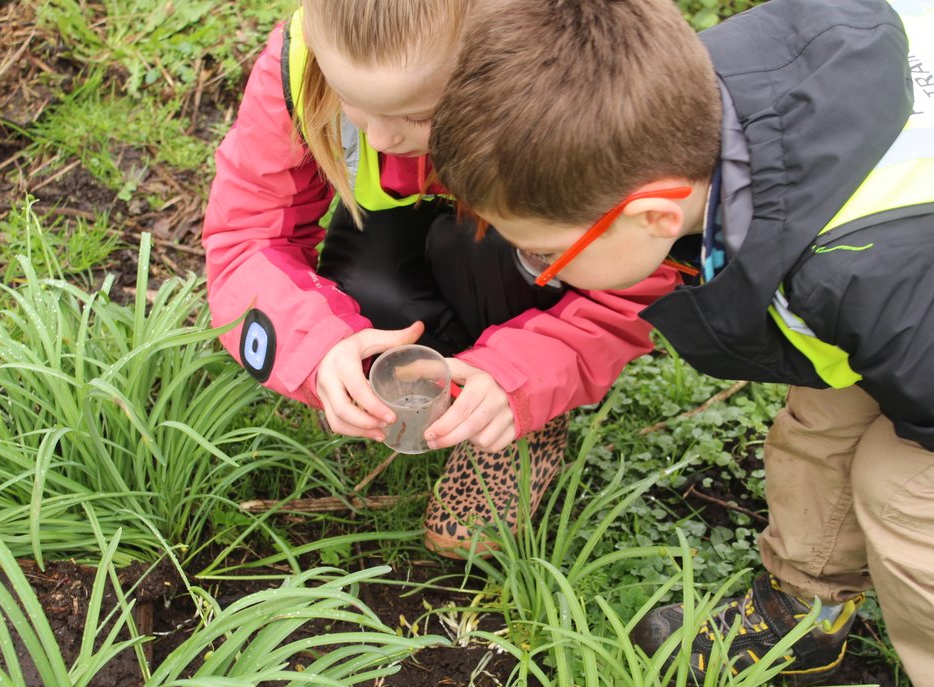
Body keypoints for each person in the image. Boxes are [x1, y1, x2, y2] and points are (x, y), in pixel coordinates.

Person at [428, 0, 934, 687]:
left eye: (543, 257)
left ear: (654, 213)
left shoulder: (870, 266)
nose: (535, 273)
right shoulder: (684, 102)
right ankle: (807, 612)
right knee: (823, 418)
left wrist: (903, 436)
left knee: (918, 499)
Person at [201, 1, 681, 557]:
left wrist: (523, 380)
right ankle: (453, 385)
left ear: (507, 55)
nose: (379, 139)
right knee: (367, 292)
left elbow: (626, 289)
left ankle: (515, 420)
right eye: (350, 100)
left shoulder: (576, 84)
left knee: (483, 249)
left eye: (419, 115)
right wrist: (317, 350)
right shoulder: (305, 57)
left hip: (522, 255)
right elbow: (247, 238)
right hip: (400, 232)